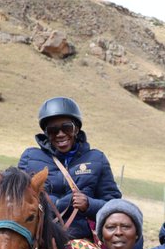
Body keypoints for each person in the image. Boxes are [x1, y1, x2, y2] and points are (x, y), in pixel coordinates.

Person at [18, 96, 122, 241]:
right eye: (53, 130)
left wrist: (89, 204)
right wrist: (57, 204)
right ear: (46, 133)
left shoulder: (97, 159)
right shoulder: (30, 158)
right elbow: (17, 200)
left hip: (81, 240)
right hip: (40, 240)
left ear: (77, 129)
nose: (60, 134)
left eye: (67, 127)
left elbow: (115, 206)